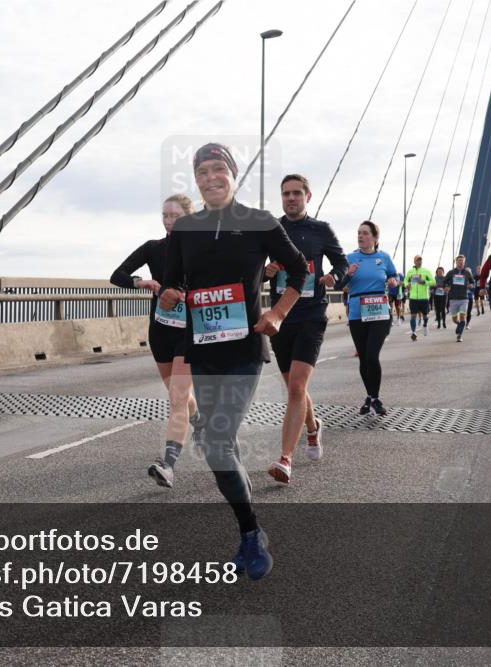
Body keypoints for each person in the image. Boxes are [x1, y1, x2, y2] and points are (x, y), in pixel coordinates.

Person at [159, 142, 308, 581]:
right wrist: (168, 293)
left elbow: (299, 270)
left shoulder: (259, 222)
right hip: (202, 349)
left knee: (217, 442)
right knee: (220, 445)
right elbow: (172, 282)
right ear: (195, 180)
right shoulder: (186, 229)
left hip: (244, 349)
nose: (210, 178)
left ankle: (251, 534)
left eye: (217, 169)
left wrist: (277, 313)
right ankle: (248, 525)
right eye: (202, 172)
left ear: (233, 174)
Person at [111, 194, 201, 488]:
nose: (169, 221)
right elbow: (117, 275)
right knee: (179, 396)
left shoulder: (201, 249)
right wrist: (142, 282)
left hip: (190, 331)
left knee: (177, 397)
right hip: (160, 330)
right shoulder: (154, 248)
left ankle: (168, 465)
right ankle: (198, 421)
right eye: (165, 215)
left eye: (175, 216)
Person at [264, 174, 347, 484]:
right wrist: (266, 271)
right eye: (286, 193)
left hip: (312, 313)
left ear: (308, 197)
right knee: (294, 388)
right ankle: (313, 427)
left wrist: (335, 277)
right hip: (281, 316)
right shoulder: (272, 229)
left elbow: (341, 263)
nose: (291, 198)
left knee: (297, 387)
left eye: (297, 193)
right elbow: (254, 270)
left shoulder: (321, 230)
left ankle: (285, 458)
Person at [338, 221, 399, 416]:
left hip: (379, 311)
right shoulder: (350, 258)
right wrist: (348, 275)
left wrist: (393, 281)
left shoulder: (384, 257)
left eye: (365, 233)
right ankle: (371, 397)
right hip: (357, 312)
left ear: (375, 237)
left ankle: (375, 398)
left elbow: (395, 277)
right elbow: (339, 285)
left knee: (372, 355)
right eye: (359, 233)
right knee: (364, 358)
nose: (361, 236)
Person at [403, 255, 435, 341]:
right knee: (413, 316)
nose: (419, 262)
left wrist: (424, 282)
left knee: (425, 316)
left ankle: (425, 325)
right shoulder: (410, 271)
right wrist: (407, 285)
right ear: (414, 262)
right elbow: (405, 281)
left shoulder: (426, 271)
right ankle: (413, 332)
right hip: (413, 298)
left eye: (420, 260)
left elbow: (433, 282)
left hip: (424, 297)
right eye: (417, 260)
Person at [444, 256, 475, 342]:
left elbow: (472, 282)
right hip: (453, 298)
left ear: (464, 263)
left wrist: (471, 285)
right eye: (459, 260)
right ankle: (459, 325)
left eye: (462, 261)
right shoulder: (451, 272)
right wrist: (446, 287)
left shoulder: (467, 273)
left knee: (462, 316)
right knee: (454, 319)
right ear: (456, 262)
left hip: (464, 298)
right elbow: (445, 281)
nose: (461, 262)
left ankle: (459, 335)